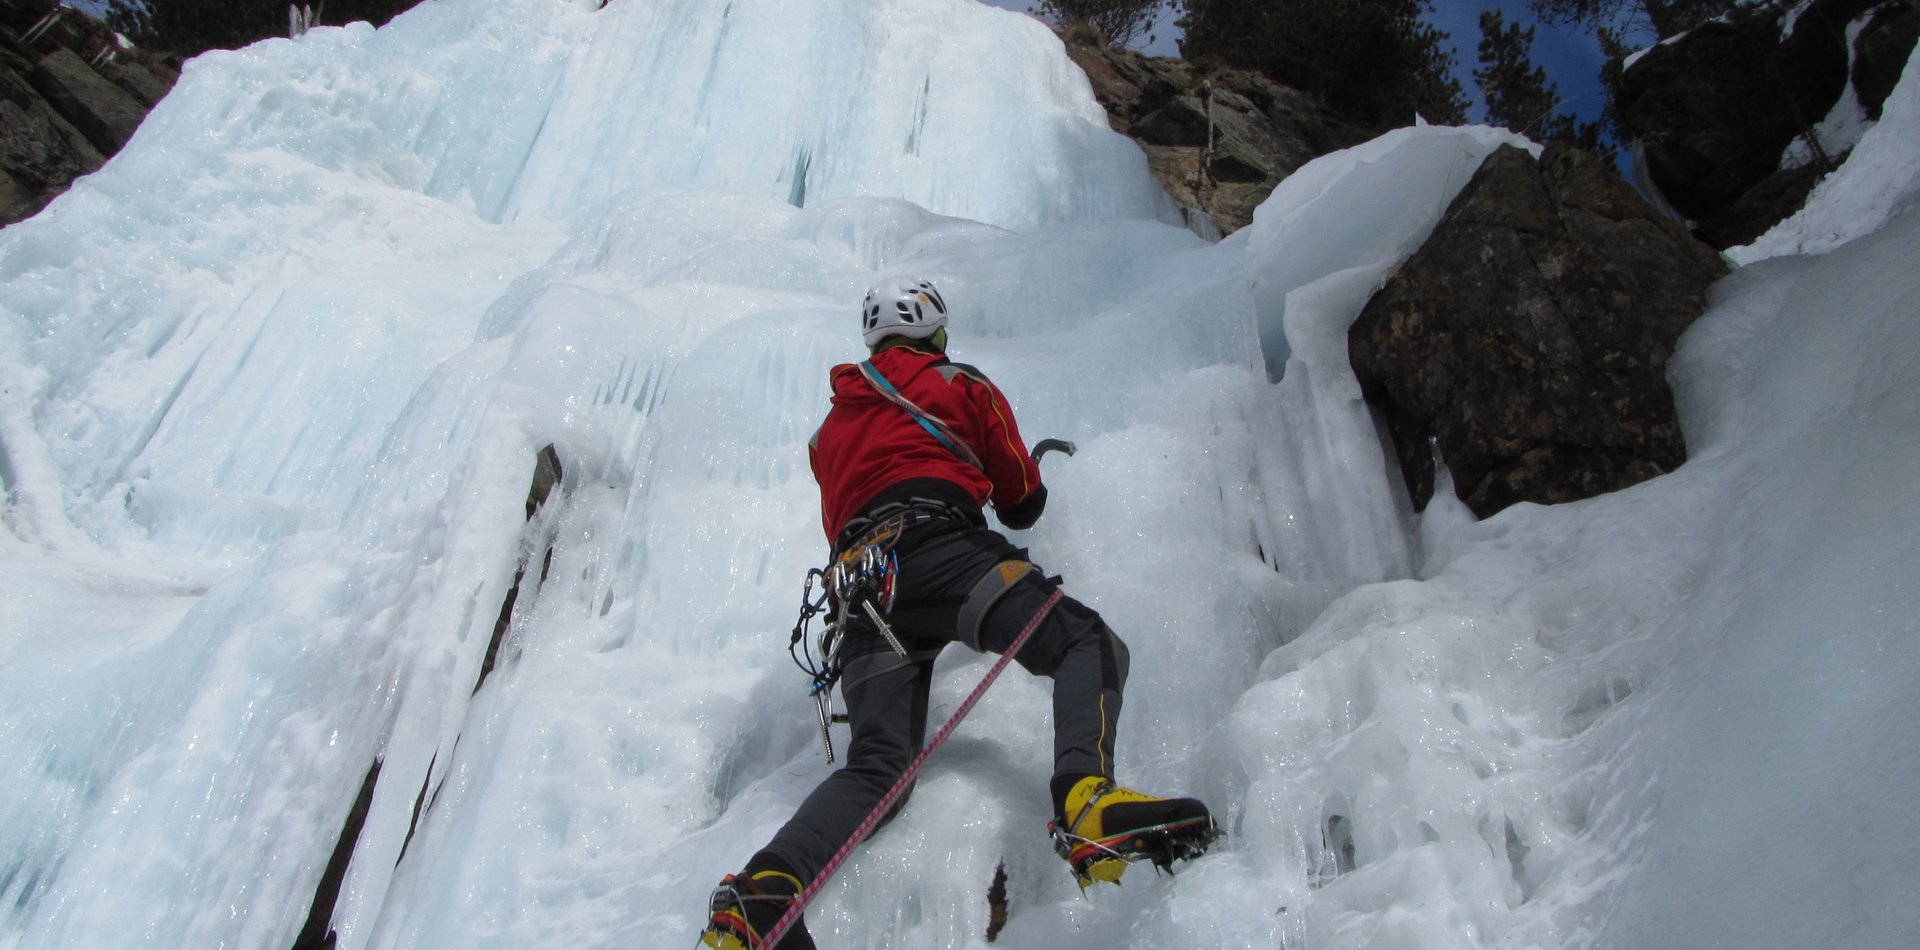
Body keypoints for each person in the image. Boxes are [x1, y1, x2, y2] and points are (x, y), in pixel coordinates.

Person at [699, 278, 1215, 949]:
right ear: (935, 334)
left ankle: (761, 894)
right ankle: (1086, 800)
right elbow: (1021, 500)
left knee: (879, 767)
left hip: (862, 590)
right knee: (1085, 643)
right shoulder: (960, 385)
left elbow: (841, 515)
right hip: (941, 553)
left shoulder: (828, 432)